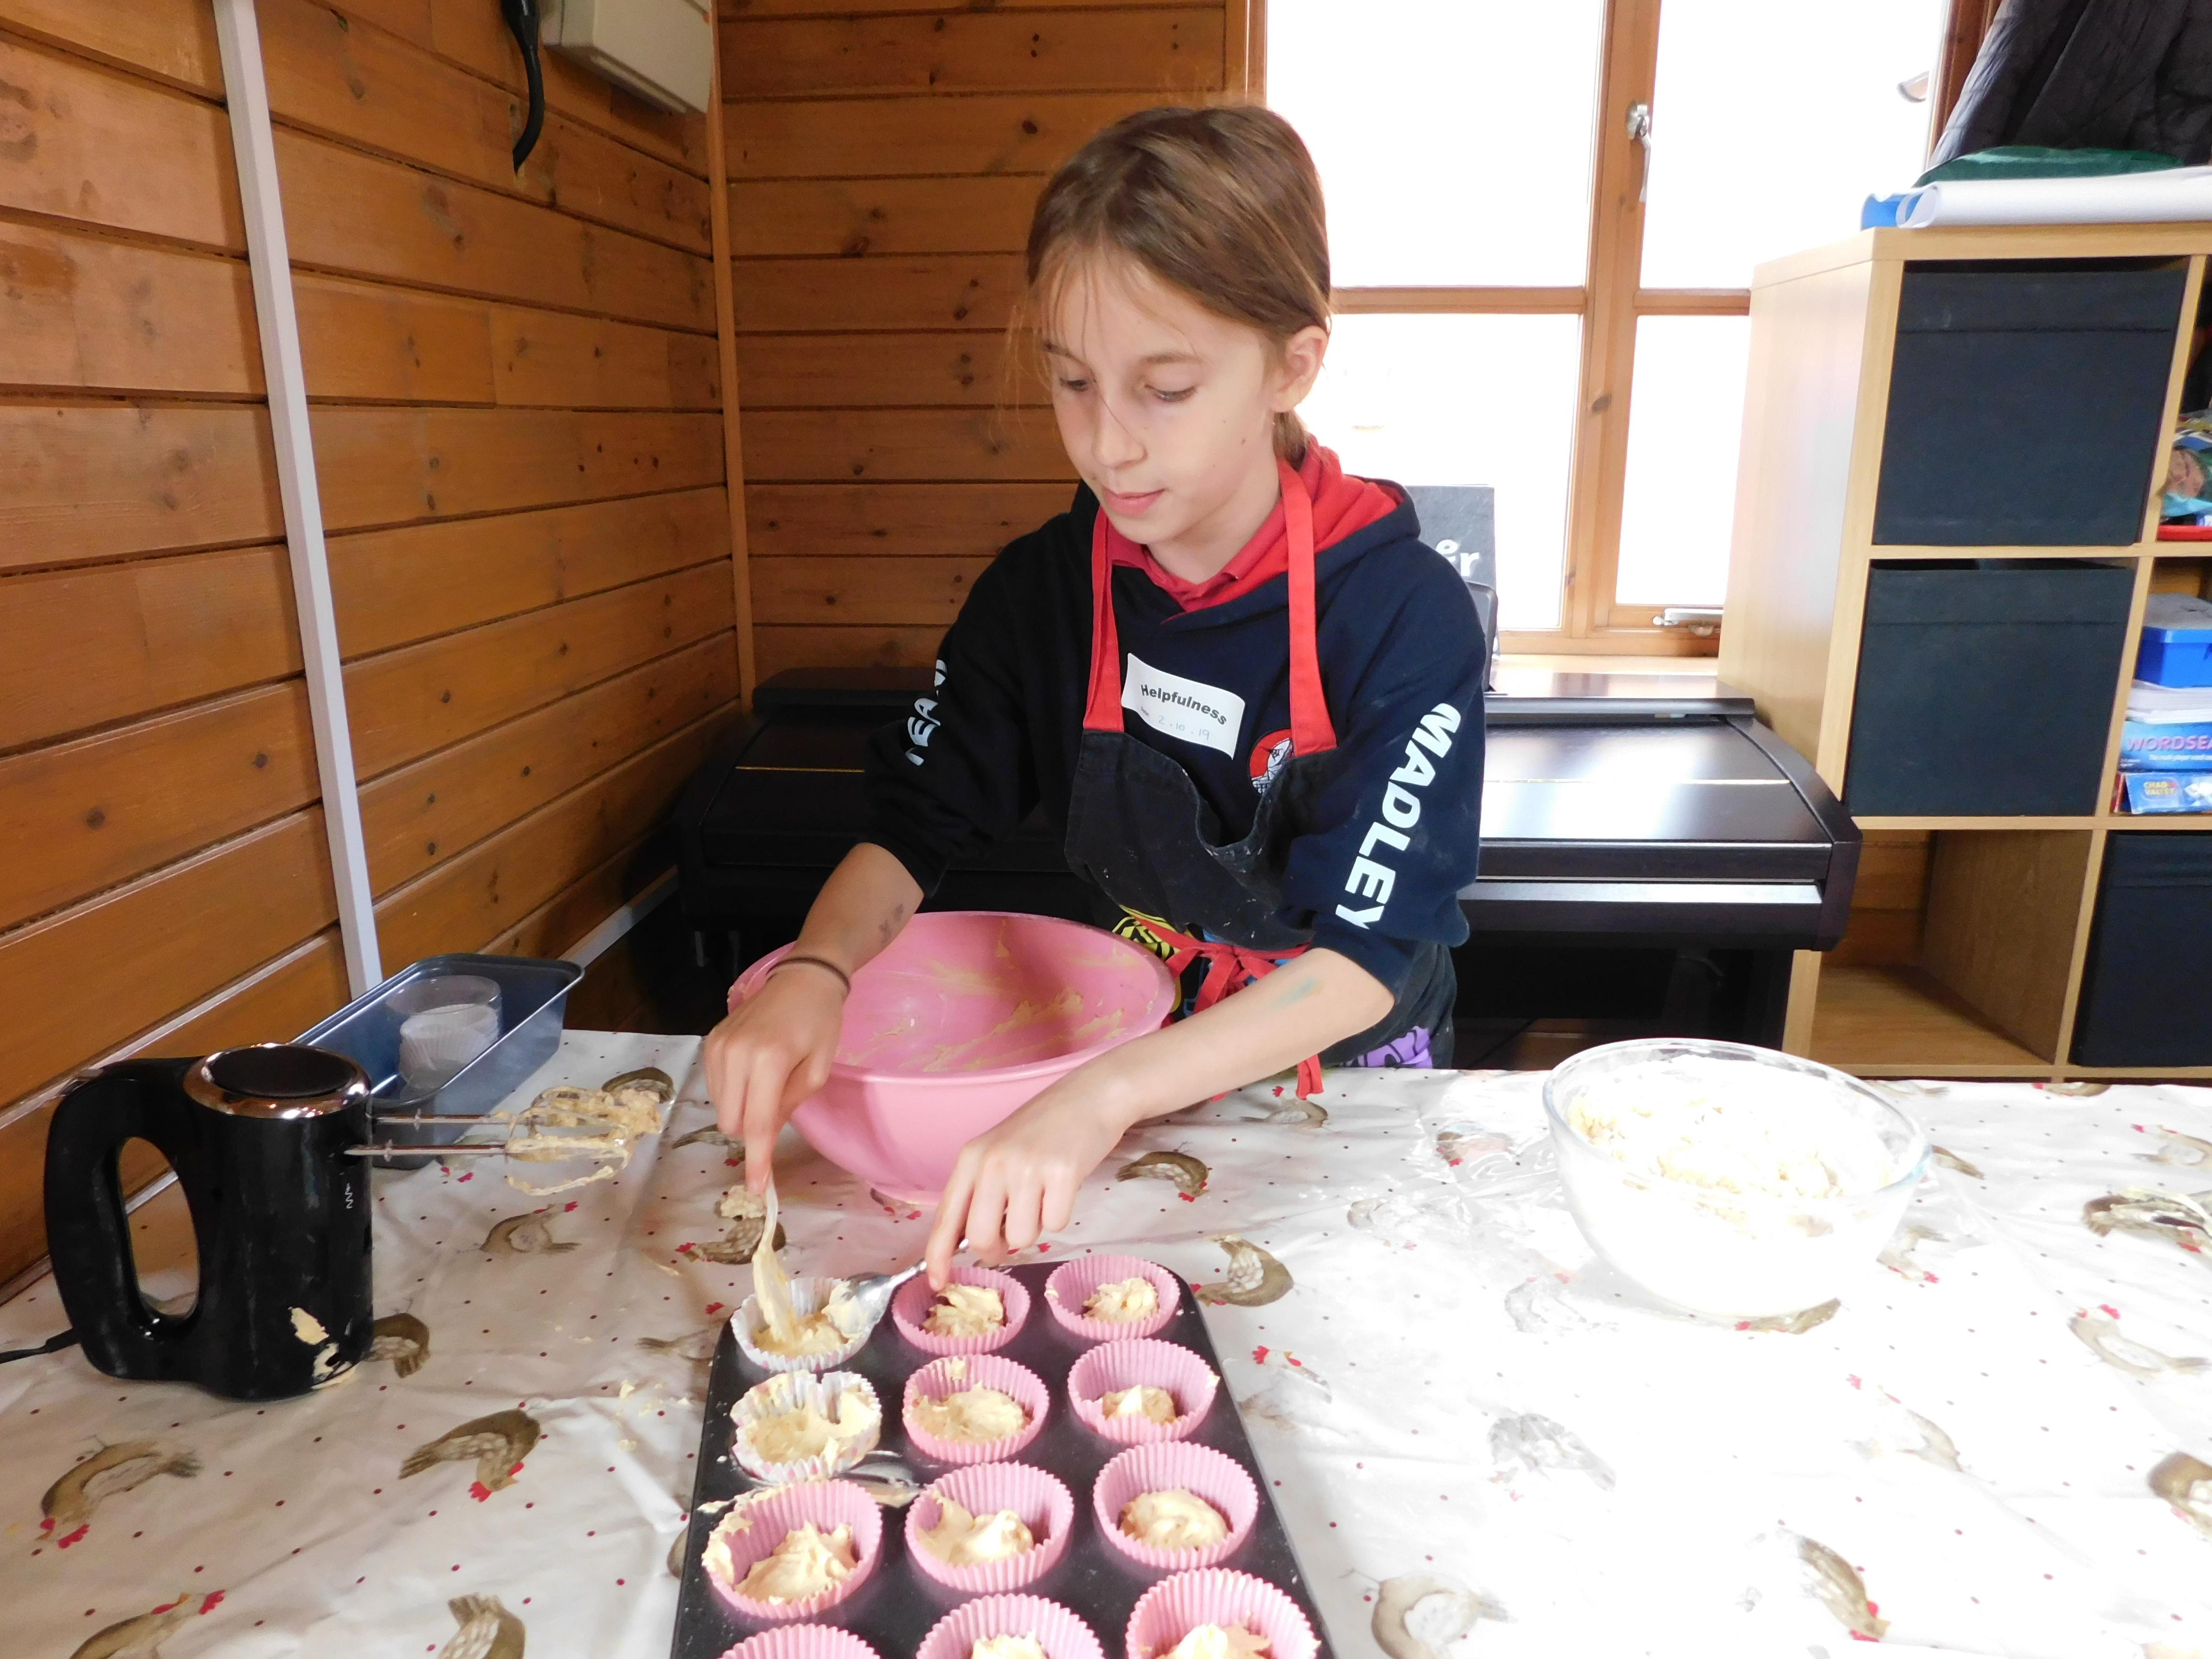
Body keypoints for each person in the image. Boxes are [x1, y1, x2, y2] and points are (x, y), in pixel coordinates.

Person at [705, 105, 1485, 1286]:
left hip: (1336, 1079)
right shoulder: (1046, 592)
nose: (1108, 445)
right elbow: (914, 826)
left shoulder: (1400, 614)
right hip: (1133, 1061)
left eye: (1165, 389)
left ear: (1291, 367)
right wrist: (815, 972)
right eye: (1073, 382)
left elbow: (1363, 955)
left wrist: (1097, 1096)